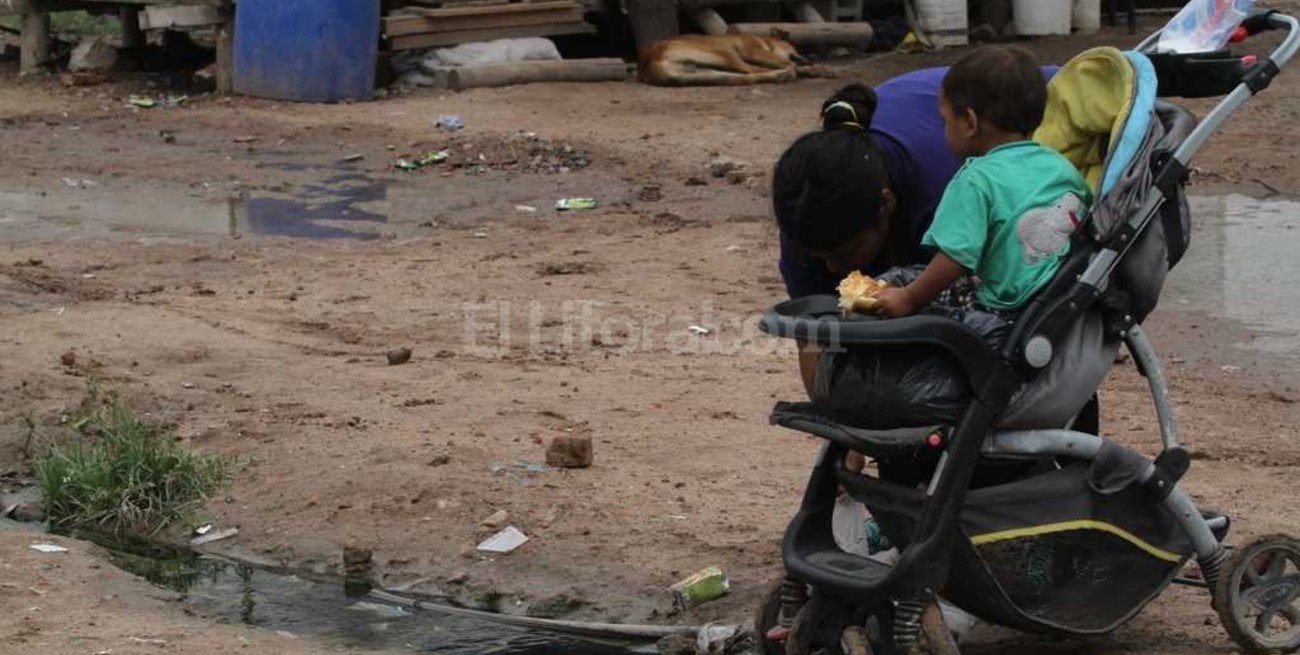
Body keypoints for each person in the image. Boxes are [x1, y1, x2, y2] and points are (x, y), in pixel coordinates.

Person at [871, 46, 1093, 346]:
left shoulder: (976, 179)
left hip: (1002, 314)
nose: (943, 129)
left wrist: (909, 298)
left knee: (905, 293)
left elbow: (953, 259)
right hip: (1058, 304)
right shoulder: (1062, 167)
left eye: (944, 120)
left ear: (969, 123)